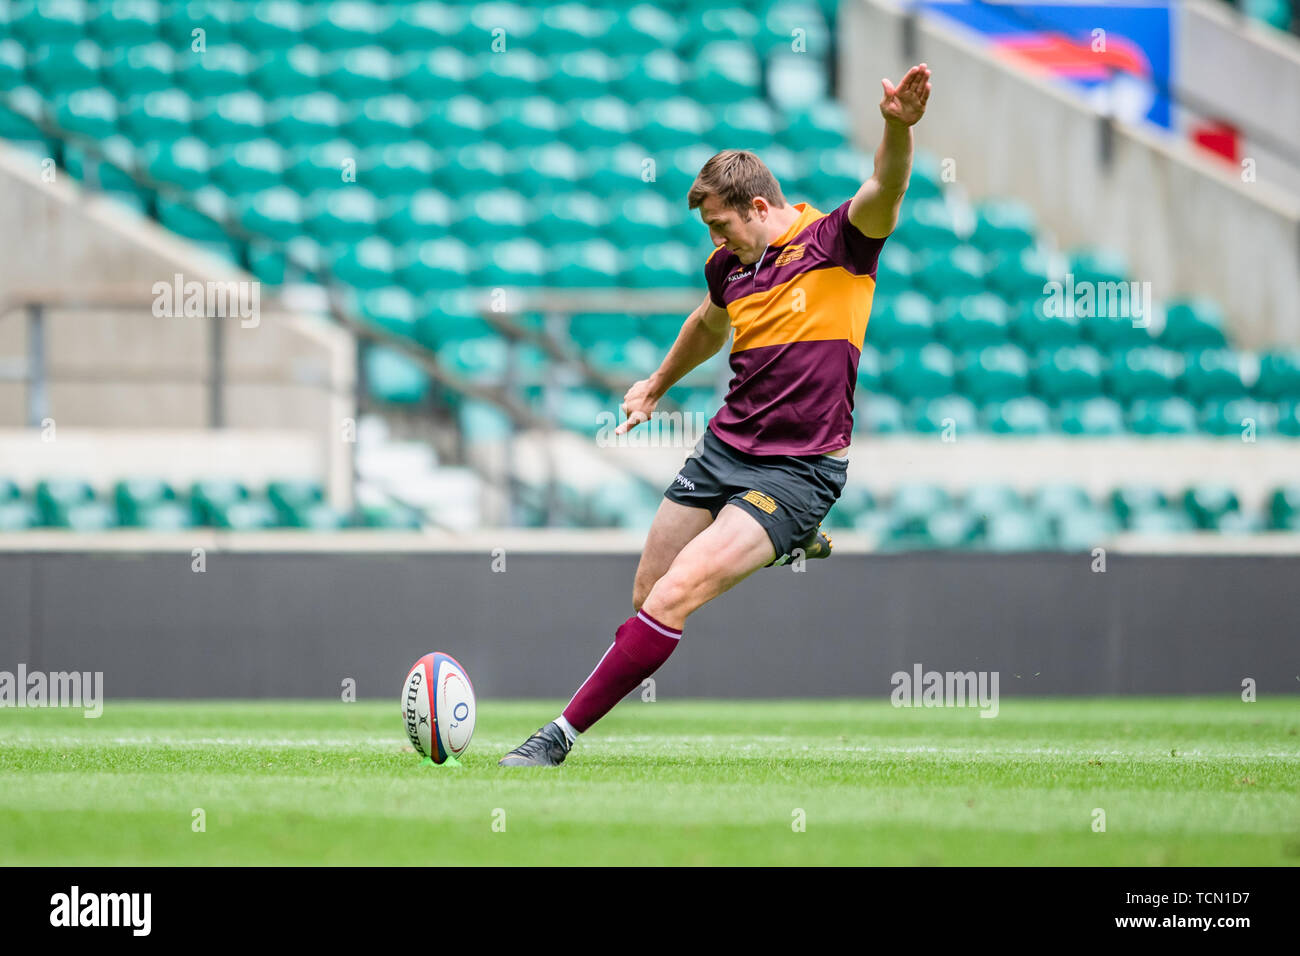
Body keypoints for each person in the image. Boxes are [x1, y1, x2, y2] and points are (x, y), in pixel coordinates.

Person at [500, 63, 933, 767]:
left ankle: (556, 738)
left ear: (759, 207)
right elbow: (708, 323)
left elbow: (886, 187)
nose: (717, 240)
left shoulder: (838, 243)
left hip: (798, 470)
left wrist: (896, 125)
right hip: (724, 450)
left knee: (675, 595)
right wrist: (656, 384)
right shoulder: (730, 267)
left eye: (721, 225)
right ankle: (791, 540)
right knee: (647, 593)